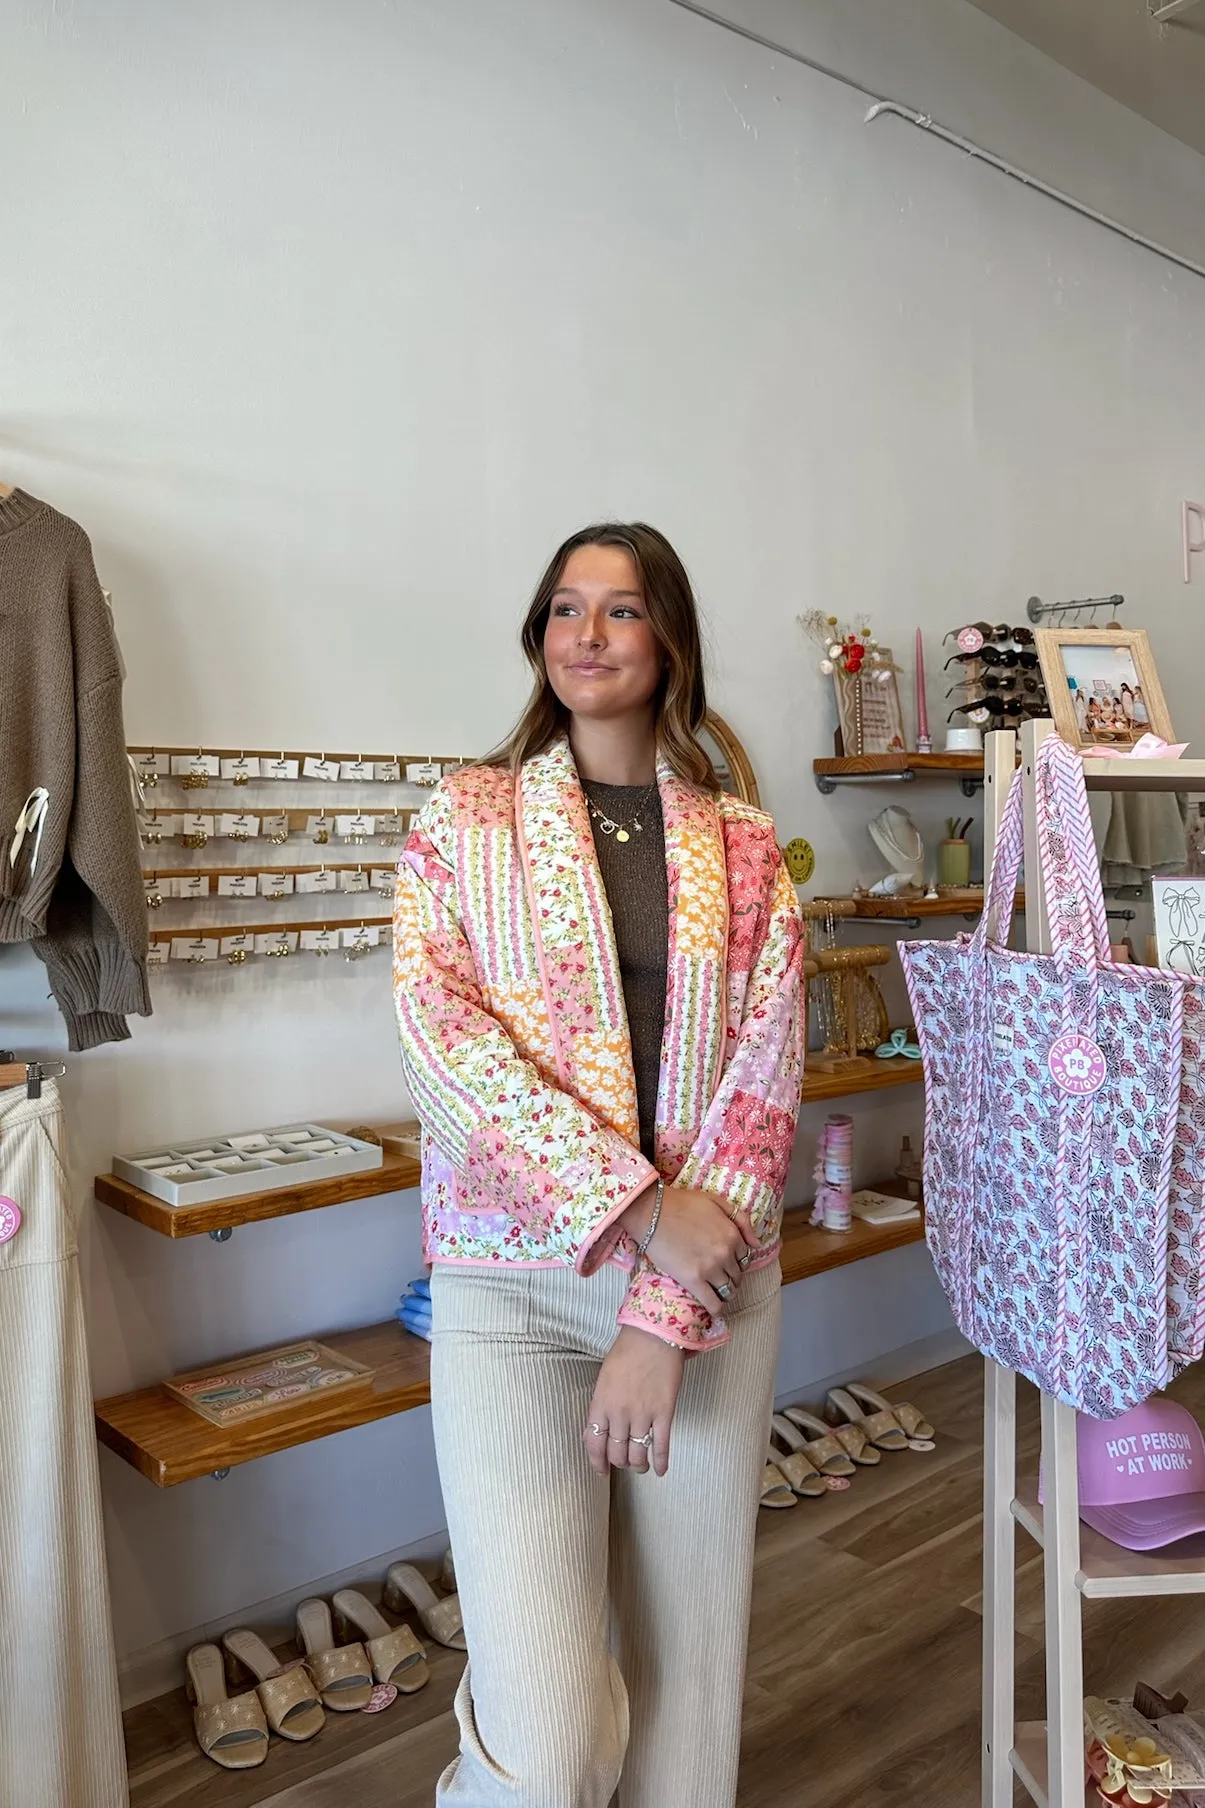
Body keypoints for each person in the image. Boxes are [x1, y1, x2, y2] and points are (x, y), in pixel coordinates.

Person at [393, 522, 806, 1808]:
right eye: (563, 608)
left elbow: (764, 1079)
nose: (586, 632)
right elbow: (436, 1035)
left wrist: (665, 1312)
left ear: (667, 638)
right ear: (538, 636)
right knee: (551, 1740)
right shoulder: (463, 819)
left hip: (710, 1300)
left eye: (619, 610)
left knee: (690, 1707)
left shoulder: (742, 846)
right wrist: (633, 1209)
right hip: (505, 1294)